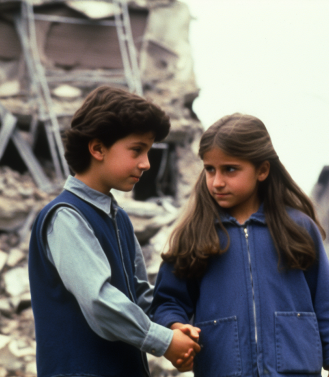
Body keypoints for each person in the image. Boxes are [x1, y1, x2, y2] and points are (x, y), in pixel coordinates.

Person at [150, 114, 329, 377]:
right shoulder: (194, 234)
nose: (217, 181)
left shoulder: (299, 228)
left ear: (262, 170)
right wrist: (176, 326)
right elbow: (167, 301)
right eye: (210, 169)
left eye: (230, 169)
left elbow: (327, 303)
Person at [28, 86, 200, 377]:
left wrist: (170, 324)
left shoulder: (118, 218)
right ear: (97, 149)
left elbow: (139, 295)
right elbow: (100, 301)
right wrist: (164, 342)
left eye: (148, 151)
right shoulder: (66, 217)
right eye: (137, 150)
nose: (146, 163)